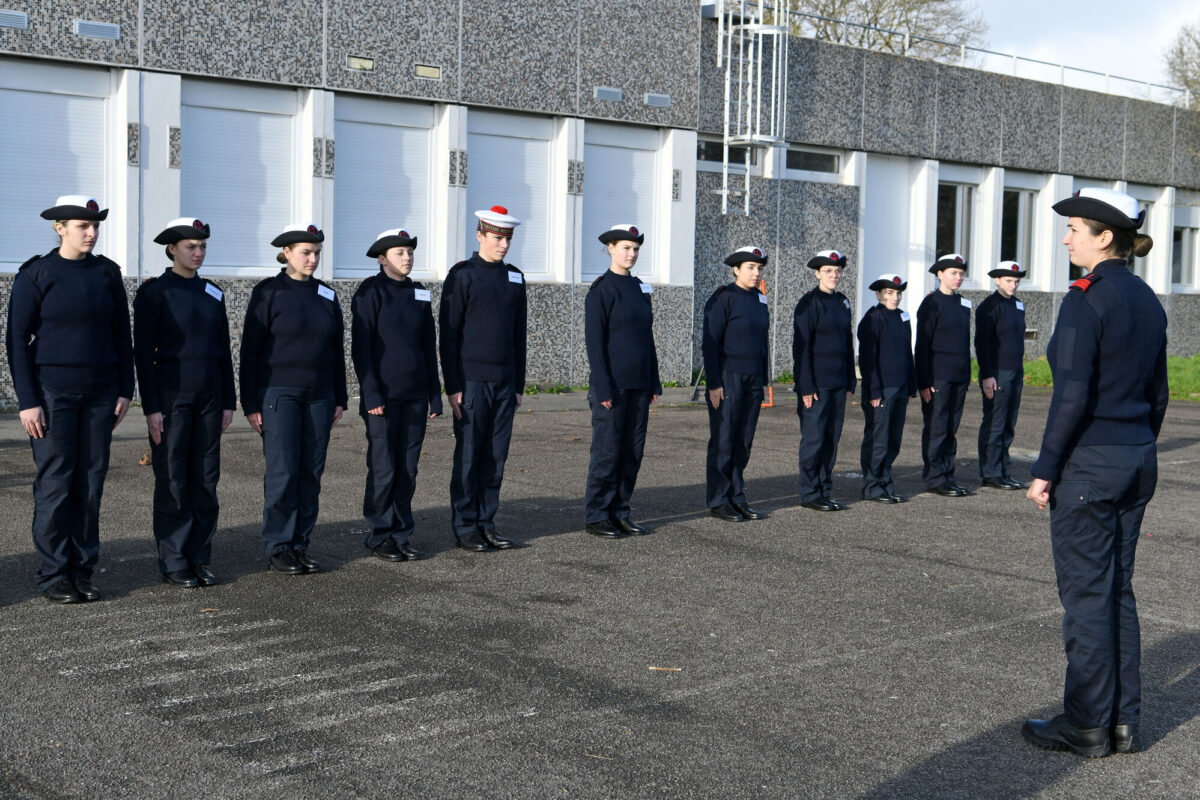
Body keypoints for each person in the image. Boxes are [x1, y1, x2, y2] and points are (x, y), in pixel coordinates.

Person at [1021, 187, 1168, 758]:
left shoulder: (1086, 298)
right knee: (1117, 593)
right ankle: (1123, 723)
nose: (1066, 238)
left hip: (1091, 464)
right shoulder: (1147, 299)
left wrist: (1045, 468)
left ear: (1105, 237)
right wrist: (1135, 445)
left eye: (1075, 228)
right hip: (1136, 457)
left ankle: (1085, 724)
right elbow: (1156, 393)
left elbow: (1072, 395)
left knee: (1087, 597)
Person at [6, 195, 133, 604]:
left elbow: (121, 336)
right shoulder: (37, 274)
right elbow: (17, 342)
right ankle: (54, 574)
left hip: (99, 395)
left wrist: (124, 390)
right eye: (83, 226)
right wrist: (28, 400)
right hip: (52, 395)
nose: (92, 233)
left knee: (90, 484)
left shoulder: (106, 273)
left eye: (95, 225)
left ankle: (82, 570)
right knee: (57, 486)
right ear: (60, 228)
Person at [133, 217, 235, 588]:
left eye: (202, 246)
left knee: (206, 478)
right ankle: (173, 558)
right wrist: (151, 408)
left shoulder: (213, 293)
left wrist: (228, 400)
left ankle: (199, 556)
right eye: (190, 247)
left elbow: (223, 350)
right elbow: (143, 355)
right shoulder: (154, 293)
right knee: (173, 478)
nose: (198, 253)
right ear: (172, 249)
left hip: (209, 397)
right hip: (172, 397)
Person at [240, 222, 347, 575]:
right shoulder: (268, 292)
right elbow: (250, 352)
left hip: (320, 395)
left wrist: (339, 397)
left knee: (310, 472)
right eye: (305, 252)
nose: (312, 258)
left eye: (317, 252)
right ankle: (279, 545)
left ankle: (301, 543)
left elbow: (336, 351)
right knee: (284, 471)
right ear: (286, 253)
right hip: (279, 394)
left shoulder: (327, 295)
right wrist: (251, 404)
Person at [439, 205, 528, 552]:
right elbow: (448, 335)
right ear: (480, 236)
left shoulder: (515, 277)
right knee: (470, 456)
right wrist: (454, 386)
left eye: (507, 238)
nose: (503, 245)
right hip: (472, 383)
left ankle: (487, 523)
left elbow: (519, 335)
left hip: (504, 383)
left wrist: (518, 384)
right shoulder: (462, 275)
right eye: (497, 238)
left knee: (495, 457)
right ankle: (465, 526)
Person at [351, 228, 443, 563]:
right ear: (382, 258)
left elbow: (427, 348)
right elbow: (361, 350)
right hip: (383, 400)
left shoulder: (419, 293)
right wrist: (371, 395)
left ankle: (402, 534)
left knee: (408, 469)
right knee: (384, 467)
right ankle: (379, 534)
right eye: (399, 253)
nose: (407, 258)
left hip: (415, 396)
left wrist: (435, 394)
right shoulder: (369, 293)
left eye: (409, 252)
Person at [583, 225, 662, 538]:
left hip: (640, 384)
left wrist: (654, 380)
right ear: (611, 248)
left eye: (635, 249)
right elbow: (594, 342)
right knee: (607, 452)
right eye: (625, 248)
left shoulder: (640, 288)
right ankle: (597, 514)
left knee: (632, 452)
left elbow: (647, 338)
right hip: (612, 387)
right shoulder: (601, 290)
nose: (631, 254)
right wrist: (602, 386)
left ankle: (620, 512)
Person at [702, 246, 770, 522]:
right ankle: (719, 500)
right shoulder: (723, 298)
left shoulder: (760, 299)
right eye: (751, 268)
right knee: (724, 439)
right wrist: (715, 383)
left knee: (743, 441)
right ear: (736, 269)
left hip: (753, 378)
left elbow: (762, 344)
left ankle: (737, 496)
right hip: (728, 378)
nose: (756, 273)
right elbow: (710, 344)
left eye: (759, 268)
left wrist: (764, 380)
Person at [793, 250, 856, 511]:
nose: (834, 275)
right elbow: (801, 348)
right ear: (817, 273)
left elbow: (847, 343)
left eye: (837, 271)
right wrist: (805, 385)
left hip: (838, 383)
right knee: (814, 440)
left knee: (831, 439)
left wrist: (851, 379)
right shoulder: (809, 303)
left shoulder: (843, 302)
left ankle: (824, 490)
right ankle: (810, 493)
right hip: (816, 385)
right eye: (828, 271)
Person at [915, 253, 972, 497]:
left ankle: (948, 474)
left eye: (960, 274)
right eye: (953, 273)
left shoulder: (963, 304)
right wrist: (924, 382)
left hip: (959, 376)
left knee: (951, 428)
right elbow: (922, 346)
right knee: (937, 428)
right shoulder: (931, 303)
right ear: (939, 274)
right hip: (938, 377)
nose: (958, 278)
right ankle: (935, 477)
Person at [857, 273, 917, 504]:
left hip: (900, 388)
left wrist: (911, 386)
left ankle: (886, 483)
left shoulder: (903, 317)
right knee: (878, 440)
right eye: (890, 293)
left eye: (898, 293)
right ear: (879, 294)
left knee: (893, 439)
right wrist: (873, 391)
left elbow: (907, 353)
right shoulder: (872, 319)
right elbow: (867, 360)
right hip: (881, 389)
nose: (895, 297)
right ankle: (872, 486)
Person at [976, 260, 1027, 490]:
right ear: (997, 280)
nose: (1013, 285)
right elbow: (982, 344)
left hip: (1015, 371)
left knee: (1008, 423)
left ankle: (1004, 470)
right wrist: (987, 375)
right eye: (1008, 280)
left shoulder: (1018, 305)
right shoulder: (989, 306)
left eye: (1016, 281)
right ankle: (991, 472)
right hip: (997, 373)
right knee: (995, 423)